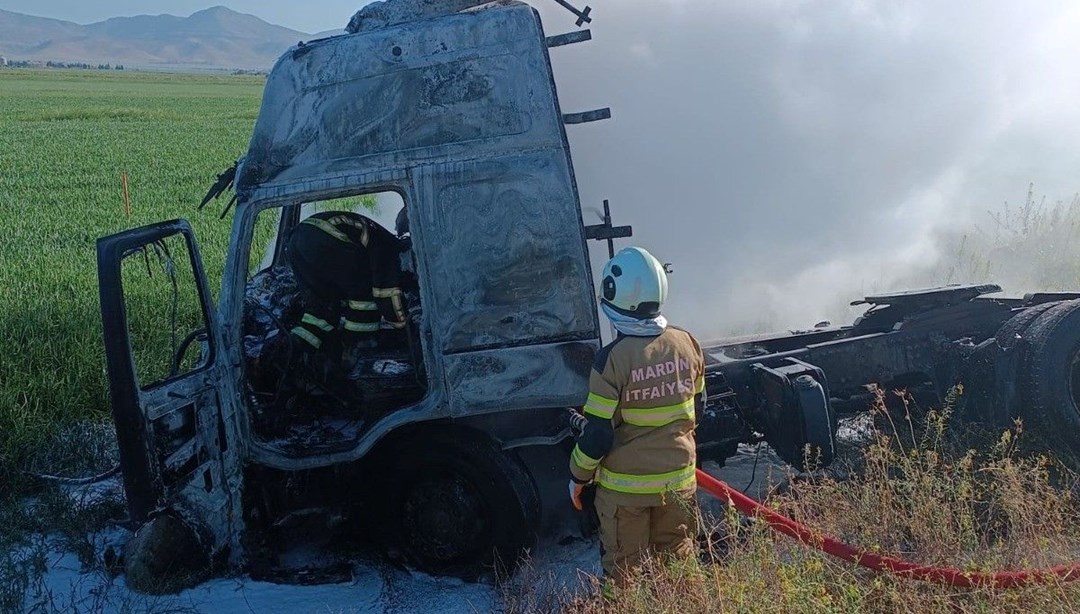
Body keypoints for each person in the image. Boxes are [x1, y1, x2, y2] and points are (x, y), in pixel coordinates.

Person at [568, 246, 707, 588]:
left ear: (614, 297)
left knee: (624, 576)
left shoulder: (610, 361)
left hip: (625, 495)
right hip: (679, 484)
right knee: (678, 564)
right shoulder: (687, 342)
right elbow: (697, 409)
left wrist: (577, 477)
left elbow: (599, 436)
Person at [286, 210, 409, 360]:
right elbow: (385, 291)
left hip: (295, 242)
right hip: (321, 237)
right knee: (363, 294)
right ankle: (357, 348)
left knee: (320, 305)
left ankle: (294, 351)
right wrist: (403, 327)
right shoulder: (388, 247)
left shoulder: (377, 235)